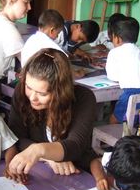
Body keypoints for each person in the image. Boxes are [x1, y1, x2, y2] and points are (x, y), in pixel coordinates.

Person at [8, 49, 97, 177]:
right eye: (29, 87)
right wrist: (47, 157)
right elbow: (15, 136)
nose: (32, 97)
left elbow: (76, 145)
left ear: (60, 91)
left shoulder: (84, 98)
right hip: (39, 171)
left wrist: (39, 150)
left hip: (76, 171)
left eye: (42, 94)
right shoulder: (22, 92)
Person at [105, 16, 140, 124]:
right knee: (136, 122)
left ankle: (114, 140)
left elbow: (112, 76)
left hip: (131, 95)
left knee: (114, 119)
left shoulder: (114, 52)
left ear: (117, 38)